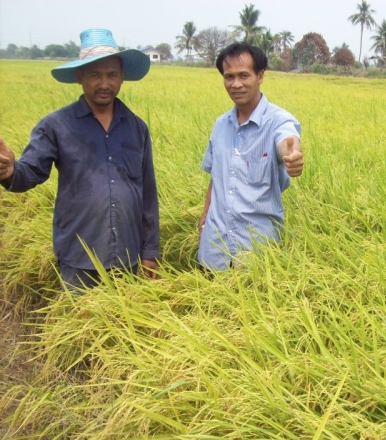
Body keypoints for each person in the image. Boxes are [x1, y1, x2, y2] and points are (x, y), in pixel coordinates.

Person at [0, 28, 159, 289]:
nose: (104, 84)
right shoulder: (56, 125)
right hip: (79, 258)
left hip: (128, 257)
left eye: (112, 75)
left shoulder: (137, 128)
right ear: (79, 76)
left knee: (127, 327)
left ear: (122, 78)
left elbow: (148, 194)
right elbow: (29, 173)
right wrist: (8, 172)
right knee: (80, 326)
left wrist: (150, 251)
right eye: (95, 75)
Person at [197, 43, 303, 271]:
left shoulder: (278, 121)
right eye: (229, 77)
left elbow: (288, 141)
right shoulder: (220, 125)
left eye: (244, 75)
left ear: (260, 76)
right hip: (213, 252)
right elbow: (217, 177)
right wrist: (204, 219)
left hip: (257, 258)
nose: (236, 84)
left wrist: (292, 156)